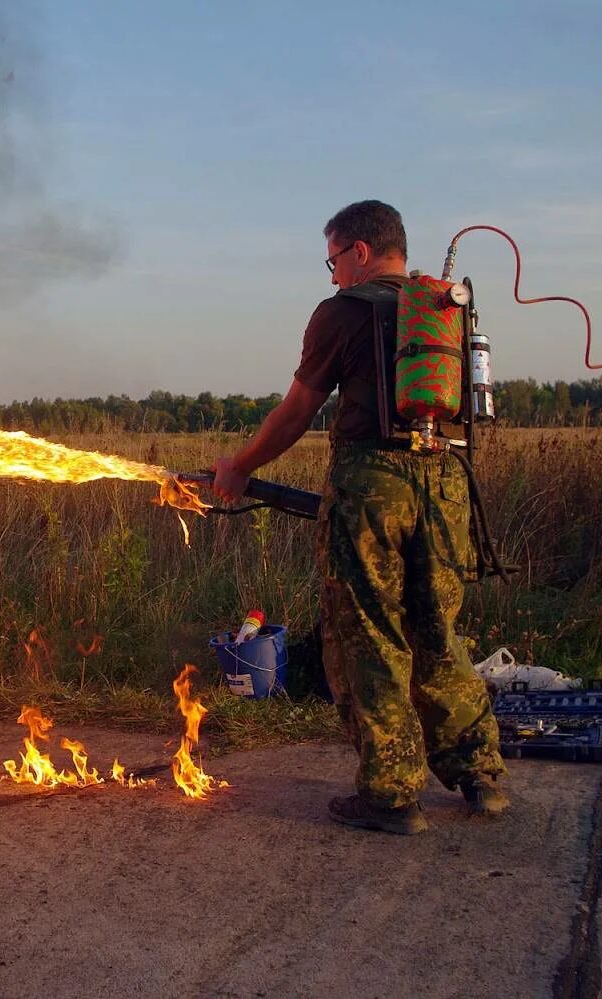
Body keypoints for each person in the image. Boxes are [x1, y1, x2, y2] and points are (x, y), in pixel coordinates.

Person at [212, 200, 507, 836]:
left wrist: (239, 465)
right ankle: (478, 772)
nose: (333, 274)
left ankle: (392, 795)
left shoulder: (341, 313)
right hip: (448, 484)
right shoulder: (445, 310)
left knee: (371, 634)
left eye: (334, 259)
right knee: (438, 627)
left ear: (362, 252)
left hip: (373, 486)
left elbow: (296, 412)